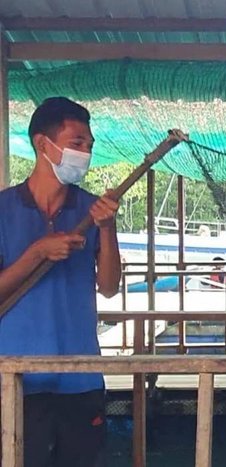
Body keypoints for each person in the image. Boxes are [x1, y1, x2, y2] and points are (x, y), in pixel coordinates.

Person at [0, 97, 121, 467]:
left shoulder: (92, 209)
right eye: (76, 143)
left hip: (80, 379)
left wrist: (107, 228)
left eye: (89, 146)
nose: (85, 154)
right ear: (43, 144)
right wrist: (37, 251)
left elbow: (110, 286)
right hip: (16, 378)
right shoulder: (4, 210)